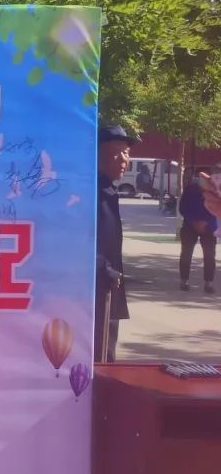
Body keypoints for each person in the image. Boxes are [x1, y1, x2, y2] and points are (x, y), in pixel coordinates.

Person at [96, 125, 134, 362]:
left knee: (107, 352)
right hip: (94, 289)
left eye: (126, 152)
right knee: (99, 355)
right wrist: (102, 267)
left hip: (109, 286)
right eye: (116, 152)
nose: (123, 159)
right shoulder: (90, 192)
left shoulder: (108, 189)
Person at [178, 167, 217, 293]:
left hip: (209, 227)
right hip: (190, 226)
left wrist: (206, 222)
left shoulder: (215, 191)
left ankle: (209, 283)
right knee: (186, 254)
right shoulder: (190, 190)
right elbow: (183, 208)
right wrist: (194, 221)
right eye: (200, 177)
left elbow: (217, 209)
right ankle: (184, 281)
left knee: (209, 255)